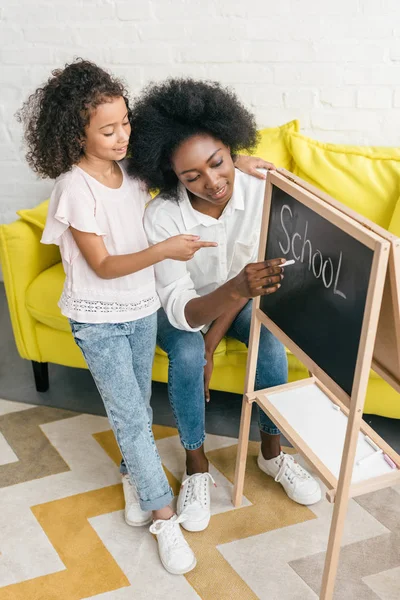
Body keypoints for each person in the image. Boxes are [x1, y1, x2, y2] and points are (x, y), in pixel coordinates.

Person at [17, 60, 273, 574]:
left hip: (140, 312)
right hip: (99, 319)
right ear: (76, 133)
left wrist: (237, 162)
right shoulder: (74, 189)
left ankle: (134, 473)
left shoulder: (132, 169)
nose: (121, 137)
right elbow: (104, 265)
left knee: (132, 410)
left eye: (126, 124)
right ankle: (163, 517)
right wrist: (166, 251)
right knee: (133, 416)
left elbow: (186, 160)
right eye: (108, 130)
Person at [128, 78, 322, 533]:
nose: (212, 182)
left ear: (232, 147)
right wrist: (208, 337)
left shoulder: (259, 191)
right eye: (191, 176)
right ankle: (197, 467)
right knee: (189, 352)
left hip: (234, 300)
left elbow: (248, 287)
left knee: (267, 334)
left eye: (218, 163)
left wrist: (220, 332)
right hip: (184, 307)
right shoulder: (162, 217)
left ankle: (272, 454)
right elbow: (183, 311)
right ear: (171, 176)